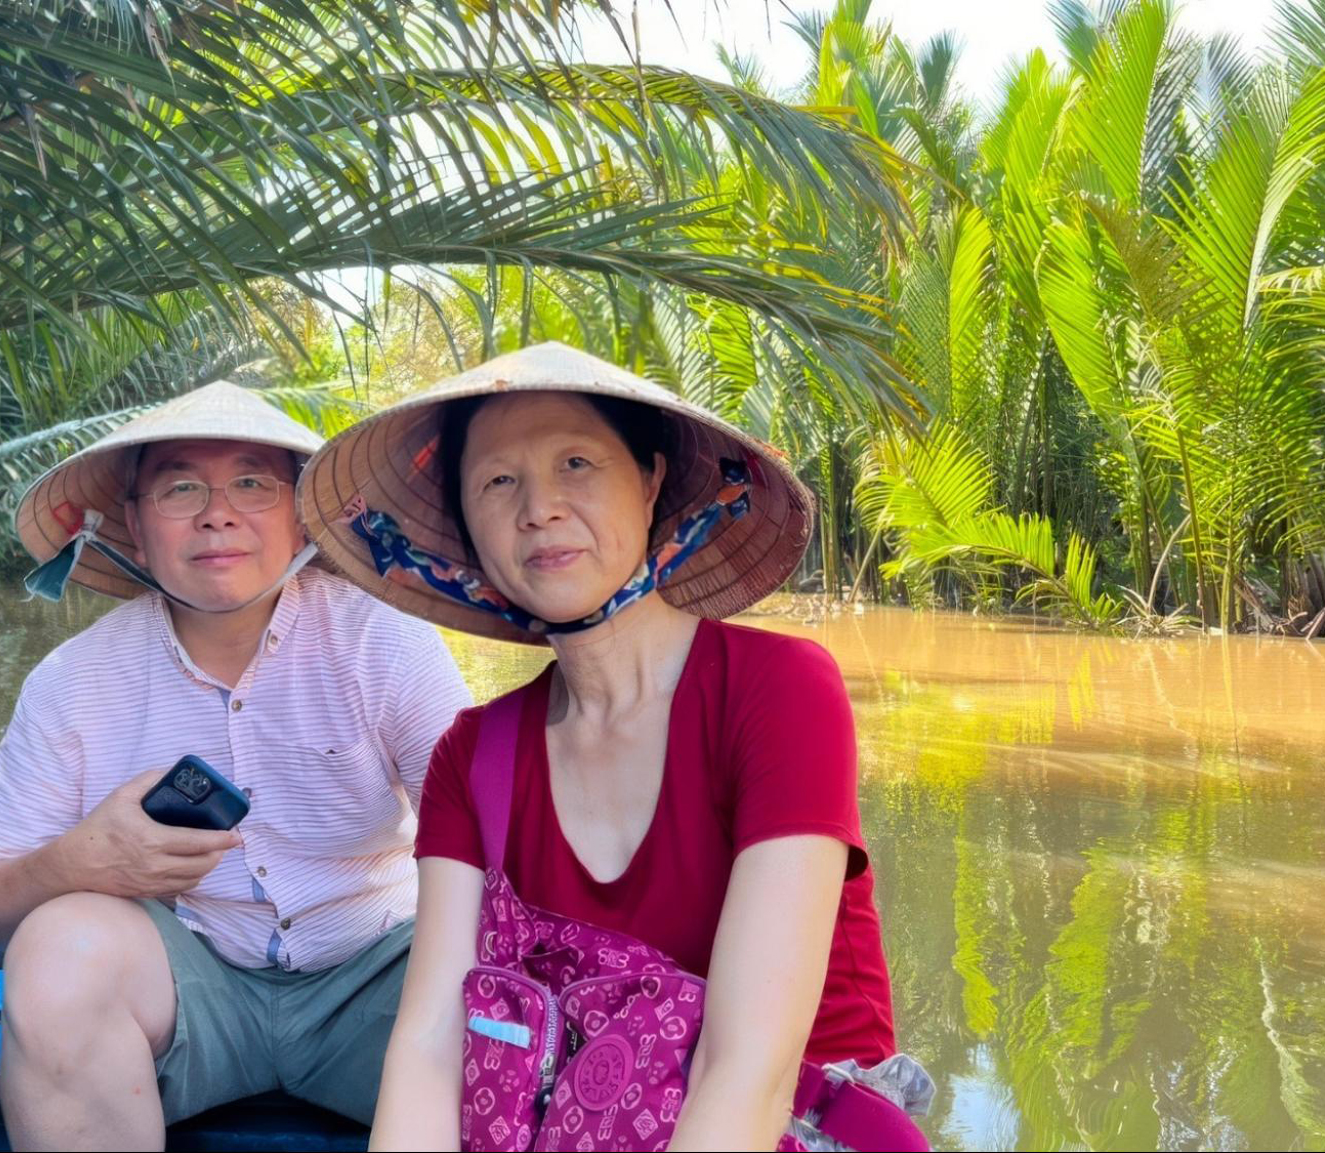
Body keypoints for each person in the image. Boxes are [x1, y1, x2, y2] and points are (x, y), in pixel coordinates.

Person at [295, 343, 927, 1151]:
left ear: (652, 479)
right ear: (466, 524)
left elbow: (749, 1069)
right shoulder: (471, 755)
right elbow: (429, 1048)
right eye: (498, 481)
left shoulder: (779, 691)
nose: (540, 508)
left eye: (576, 462)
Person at [0, 381, 474, 1151]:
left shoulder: (382, 642)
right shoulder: (74, 679)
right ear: (133, 524)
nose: (217, 512)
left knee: (510, 981)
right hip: (187, 991)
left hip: (380, 982)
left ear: (299, 515)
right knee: (56, 944)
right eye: (180, 485)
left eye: (254, 481)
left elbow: (488, 852)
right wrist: (78, 859)